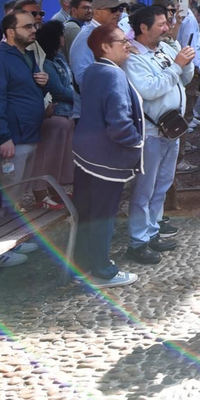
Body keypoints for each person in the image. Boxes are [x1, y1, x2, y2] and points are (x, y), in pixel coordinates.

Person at [71, 22, 144, 287]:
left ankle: (81, 267)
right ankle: (102, 271)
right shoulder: (112, 74)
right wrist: (136, 143)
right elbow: (119, 122)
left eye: (128, 40)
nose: (128, 45)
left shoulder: (92, 70)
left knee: (88, 213)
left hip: (87, 155)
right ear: (104, 47)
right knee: (103, 215)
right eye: (122, 41)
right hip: (106, 159)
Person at [123, 4, 195, 265]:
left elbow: (184, 80)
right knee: (144, 188)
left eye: (167, 23)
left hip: (171, 129)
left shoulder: (164, 49)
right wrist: (177, 66)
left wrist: (186, 63)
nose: (167, 28)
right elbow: (150, 89)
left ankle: (152, 232)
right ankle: (138, 241)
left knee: (162, 185)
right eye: (162, 24)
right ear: (143, 28)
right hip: (152, 132)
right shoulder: (133, 58)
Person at [0, 10, 47, 197]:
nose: (34, 30)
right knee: (6, 193)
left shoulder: (27, 55)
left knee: (17, 192)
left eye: (34, 25)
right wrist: (3, 136)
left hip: (29, 134)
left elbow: (23, 91)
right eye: (27, 26)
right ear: (10, 32)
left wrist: (43, 82)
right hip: (13, 139)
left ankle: (11, 224)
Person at [34, 21, 77, 197]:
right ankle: (40, 193)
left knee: (61, 157)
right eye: (61, 34)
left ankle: (55, 189)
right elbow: (57, 89)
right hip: (56, 114)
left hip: (68, 114)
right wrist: (81, 98)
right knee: (48, 156)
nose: (63, 38)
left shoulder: (59, 57)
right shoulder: (47, 62)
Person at [69, 0, 125, 101]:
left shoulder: (109, 33)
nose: (118, 13)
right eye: (112, 10)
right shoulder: (86, 36)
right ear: (96, 12)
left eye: (120, 9)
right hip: (92, 109)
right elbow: (82, 77)